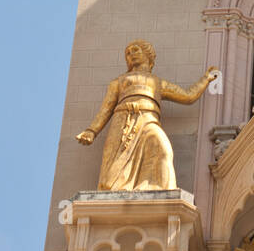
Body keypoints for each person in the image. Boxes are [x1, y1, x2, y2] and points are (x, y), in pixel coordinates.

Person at [76, 40, 218, 191]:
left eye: (136, 50)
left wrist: (206, 79)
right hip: (122, 121)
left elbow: (187, 96)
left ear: (148, 55)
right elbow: (106, 108)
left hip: (149, 120)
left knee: (162, 149)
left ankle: (159, 188)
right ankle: (116, 189)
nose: (131, 55)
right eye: (128, 53)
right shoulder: (119, 82)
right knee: (116, 161)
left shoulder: (157, 82)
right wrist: (92, 130)